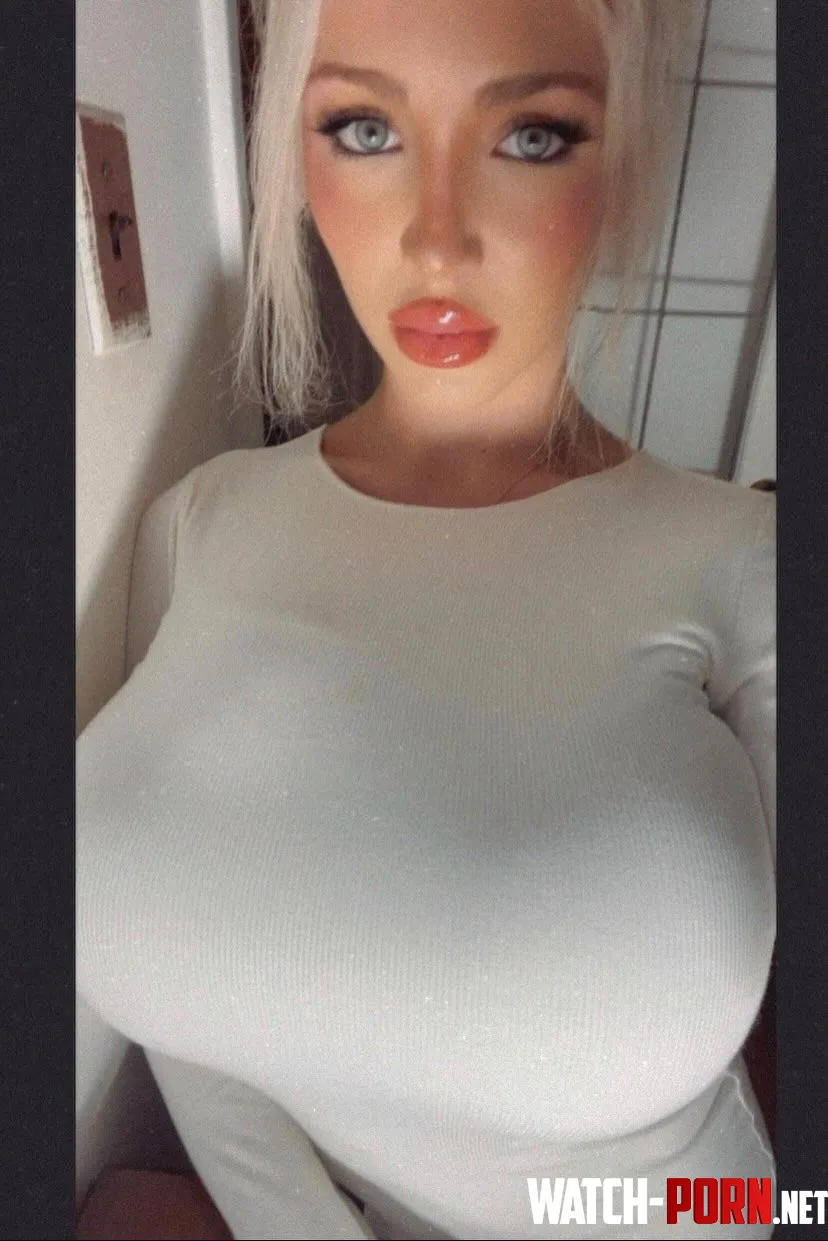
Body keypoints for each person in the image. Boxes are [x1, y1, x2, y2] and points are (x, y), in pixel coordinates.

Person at [76, 0, 777, 1236]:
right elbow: (191, 994)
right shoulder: (198, 523)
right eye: (363, 128)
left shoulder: (746, 563)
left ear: (621, 166)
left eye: (532, 137)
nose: (435, 236)